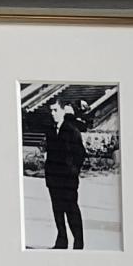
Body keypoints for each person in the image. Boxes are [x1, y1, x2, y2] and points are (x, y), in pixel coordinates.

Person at [43, 99, 88, 250]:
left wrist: (73, 171)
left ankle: (78, 243)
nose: (52, 113)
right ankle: (61, 241)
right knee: (57, 211)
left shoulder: (71, 130)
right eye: (51, 110)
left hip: (68, 180)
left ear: (63, 111)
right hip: (53, 179)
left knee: (71, 211)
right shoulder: (50, 130)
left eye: (55, 110)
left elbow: (80, 154)